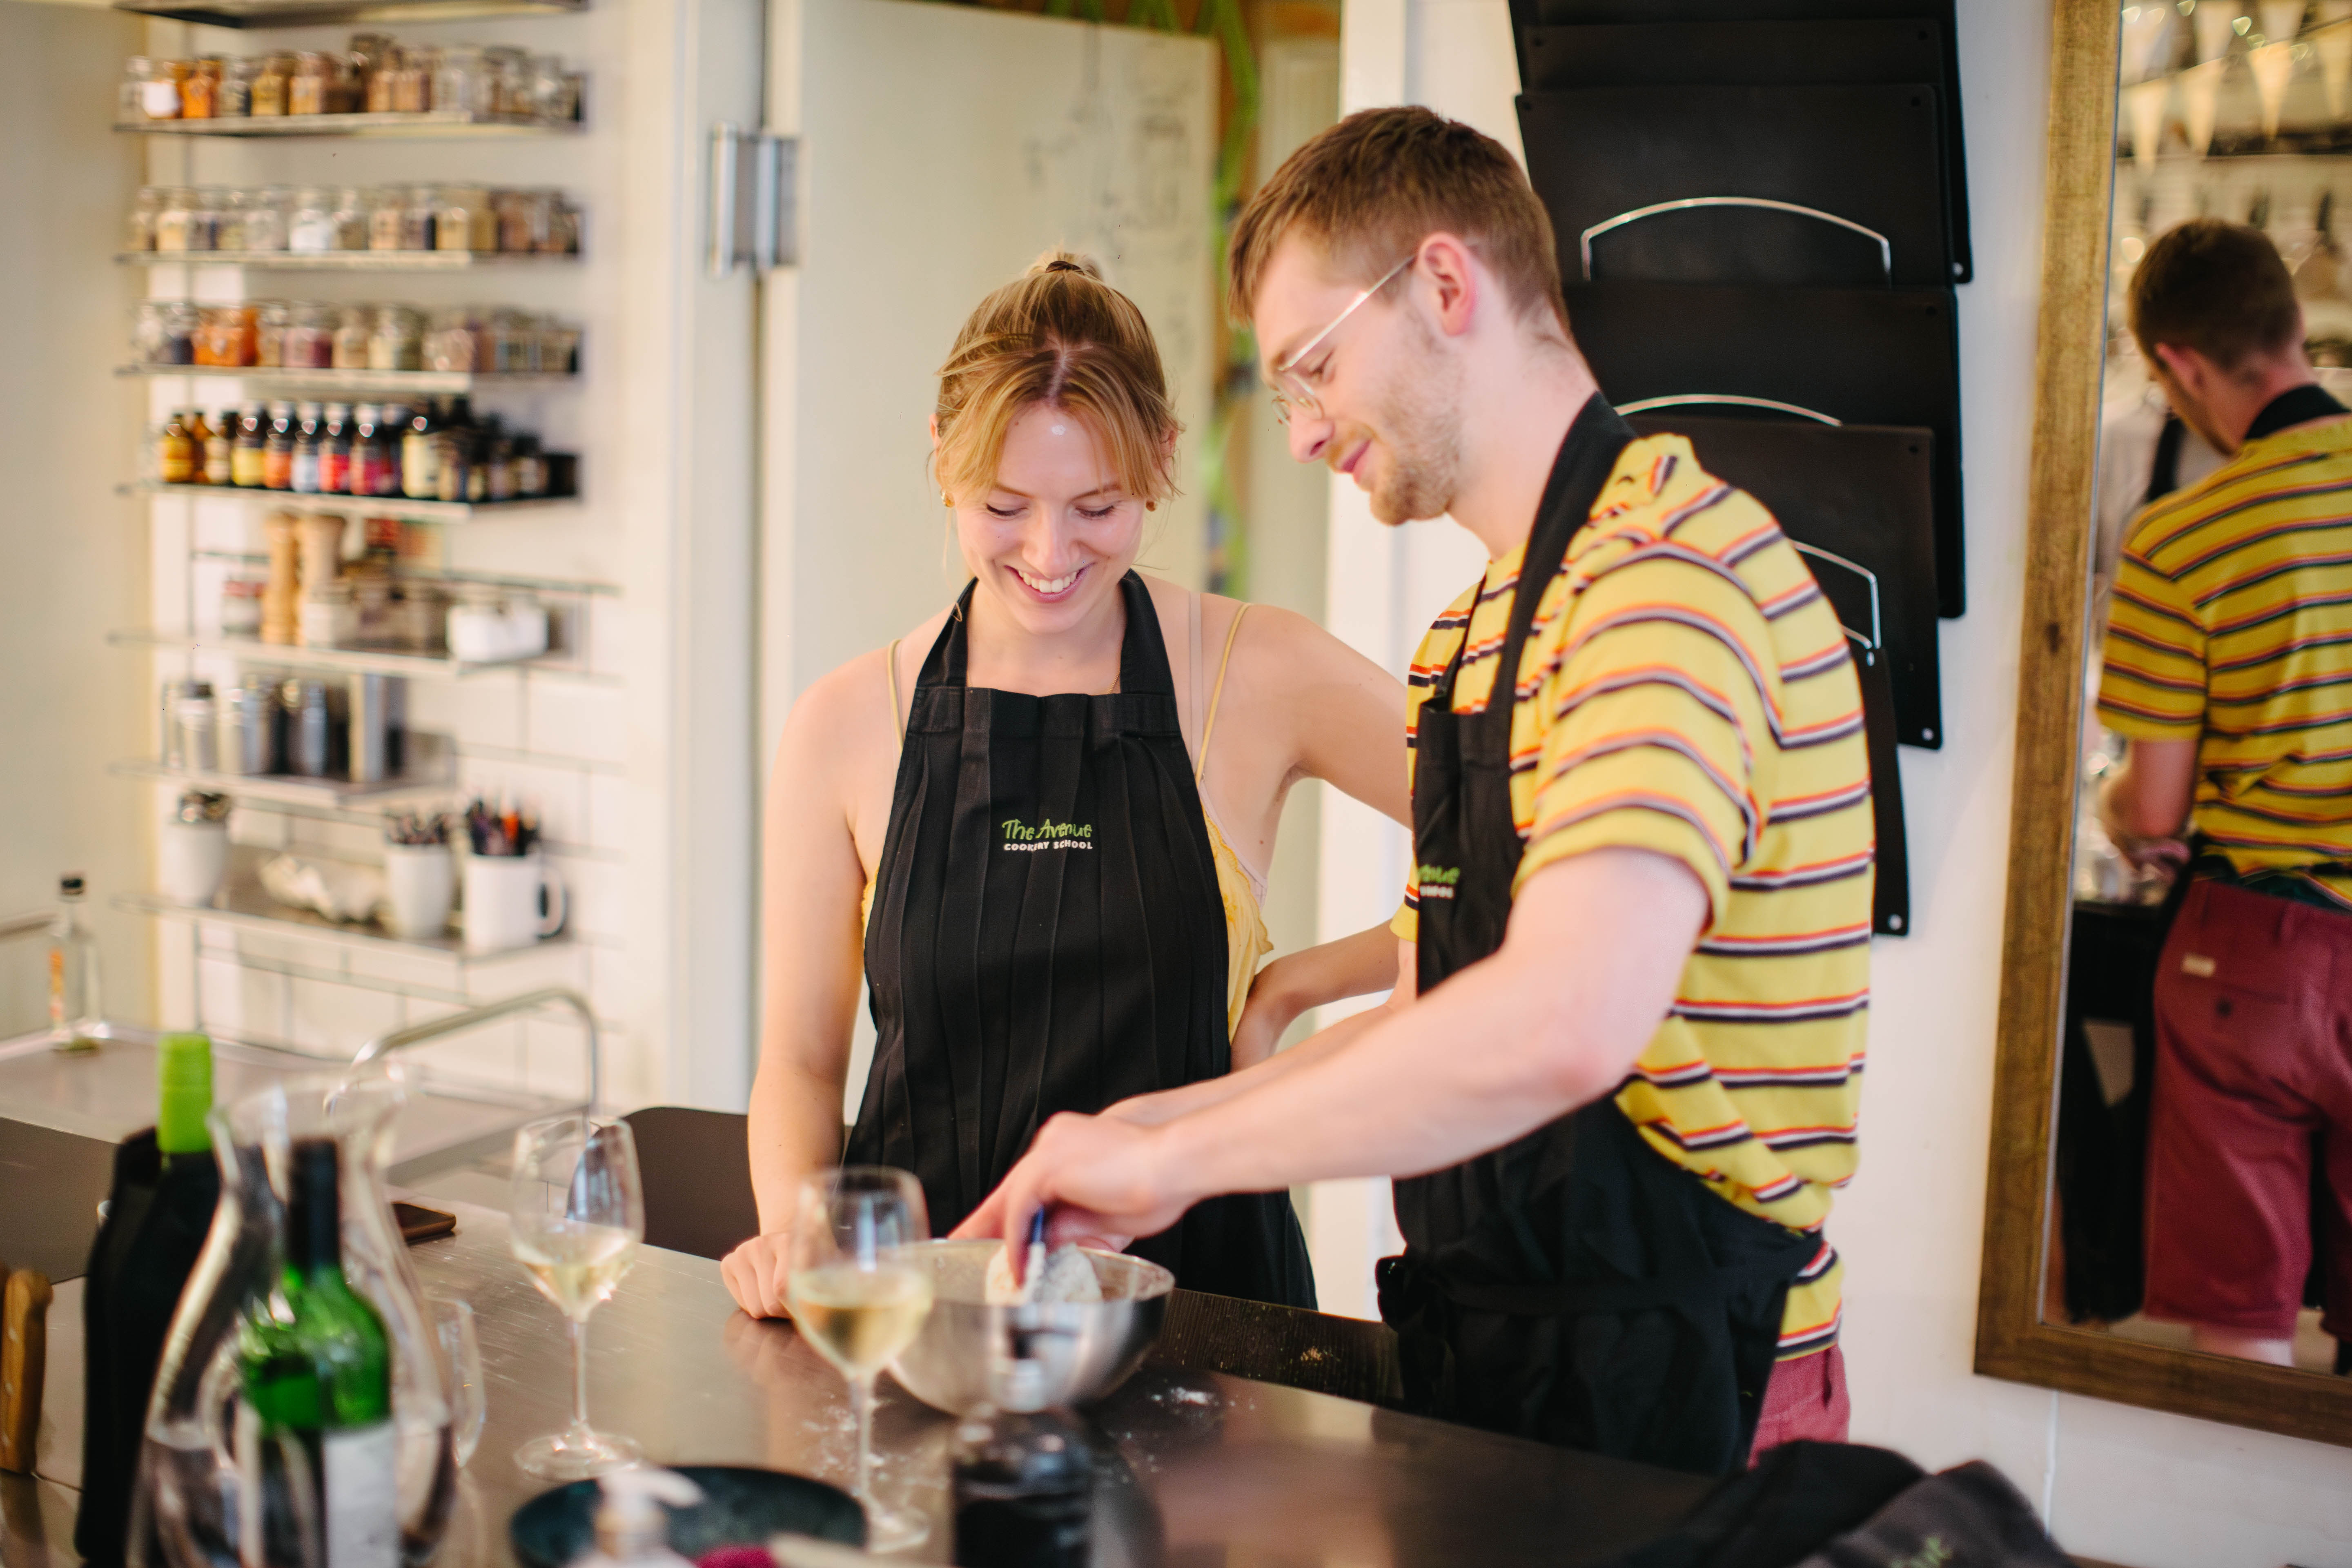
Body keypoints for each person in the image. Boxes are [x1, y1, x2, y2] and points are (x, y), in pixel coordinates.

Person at [955, 109, 1874, 1475]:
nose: (1310, 432)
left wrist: (1182, 1166)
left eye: (1317, 367)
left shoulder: (1667, 585)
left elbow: (1564, 1024)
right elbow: (1439, 1010)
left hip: (1689, 1364)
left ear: (1447, 287)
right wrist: (1160, 1121)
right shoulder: (1474, 640)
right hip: (1496, 1352)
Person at [720, 252, 1410, 1319]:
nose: (1049, 553)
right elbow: (804, 1063)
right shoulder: (847, 722)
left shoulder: (1259, 673)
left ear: (1161, 462)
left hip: (1205, 1310)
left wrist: (1297, 986)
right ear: (942, 458)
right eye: (1004, 506)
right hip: (924, 1311)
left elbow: (1530, 828)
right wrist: (789, 1231)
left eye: (1096, 506)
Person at [2096, 217, 2352, 1368]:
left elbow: (2154, 813)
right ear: (2296, 327)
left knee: (2239, 1323)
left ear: (2181, 368)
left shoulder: (2182, 539)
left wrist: (2118, 814)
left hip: (2257, 952)